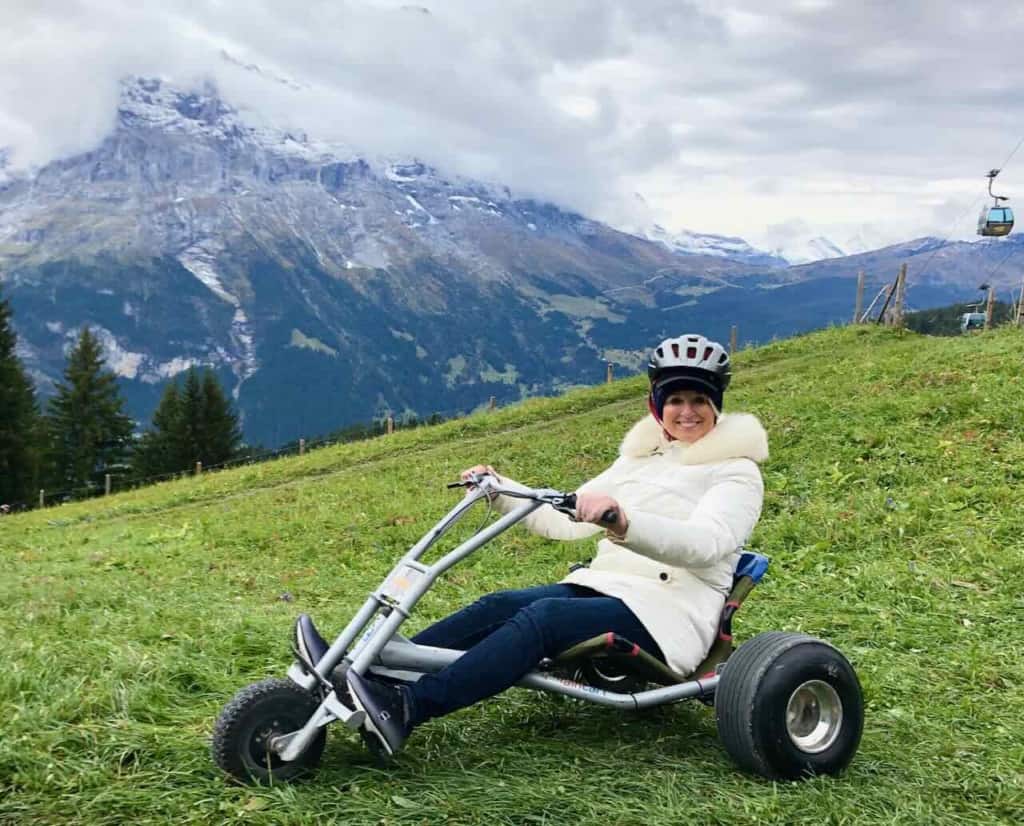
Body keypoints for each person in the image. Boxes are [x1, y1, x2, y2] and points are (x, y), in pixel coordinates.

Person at [345, 333, 769, 756]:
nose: (687, 412)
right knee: (498, 605)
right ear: (656, 406)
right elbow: (562, 517)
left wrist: (624, 520)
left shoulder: (736, 472)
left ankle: (406, 707)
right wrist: (500, 488)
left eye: (699, 400)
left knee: (545, 618)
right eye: (675, 400)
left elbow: (706, 544)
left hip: (670, 614)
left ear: (717, 406)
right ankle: (376, 679)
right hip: (609, 589)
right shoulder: (642, 459)